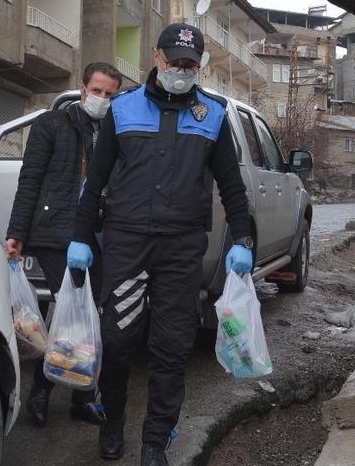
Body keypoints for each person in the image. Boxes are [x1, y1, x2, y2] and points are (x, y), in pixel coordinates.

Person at [66, 24, 254, 466]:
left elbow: (231, 184)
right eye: (174, 62)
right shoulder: (122, 109)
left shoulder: (212, 115)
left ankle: (155, 441)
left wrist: (243, 238)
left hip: (181, 247)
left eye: (190, 64)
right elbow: (96, 181)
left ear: (199, 66)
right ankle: (112, 425)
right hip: (128, 243)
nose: (181, 71)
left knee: (171, 347)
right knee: (117, 342)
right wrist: (79, 236)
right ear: (156, 57)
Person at [5, 62, 123, 427]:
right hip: (54, 233)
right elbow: (30, 179)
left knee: (91, 314)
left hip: (91, 235)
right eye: (97, 91)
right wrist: (16, 233)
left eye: (109, 94)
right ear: (82, 88)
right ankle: (46, 393)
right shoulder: (52, 124)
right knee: (74, 314)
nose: (101, 99)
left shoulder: (113, 131)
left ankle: (78, 394)